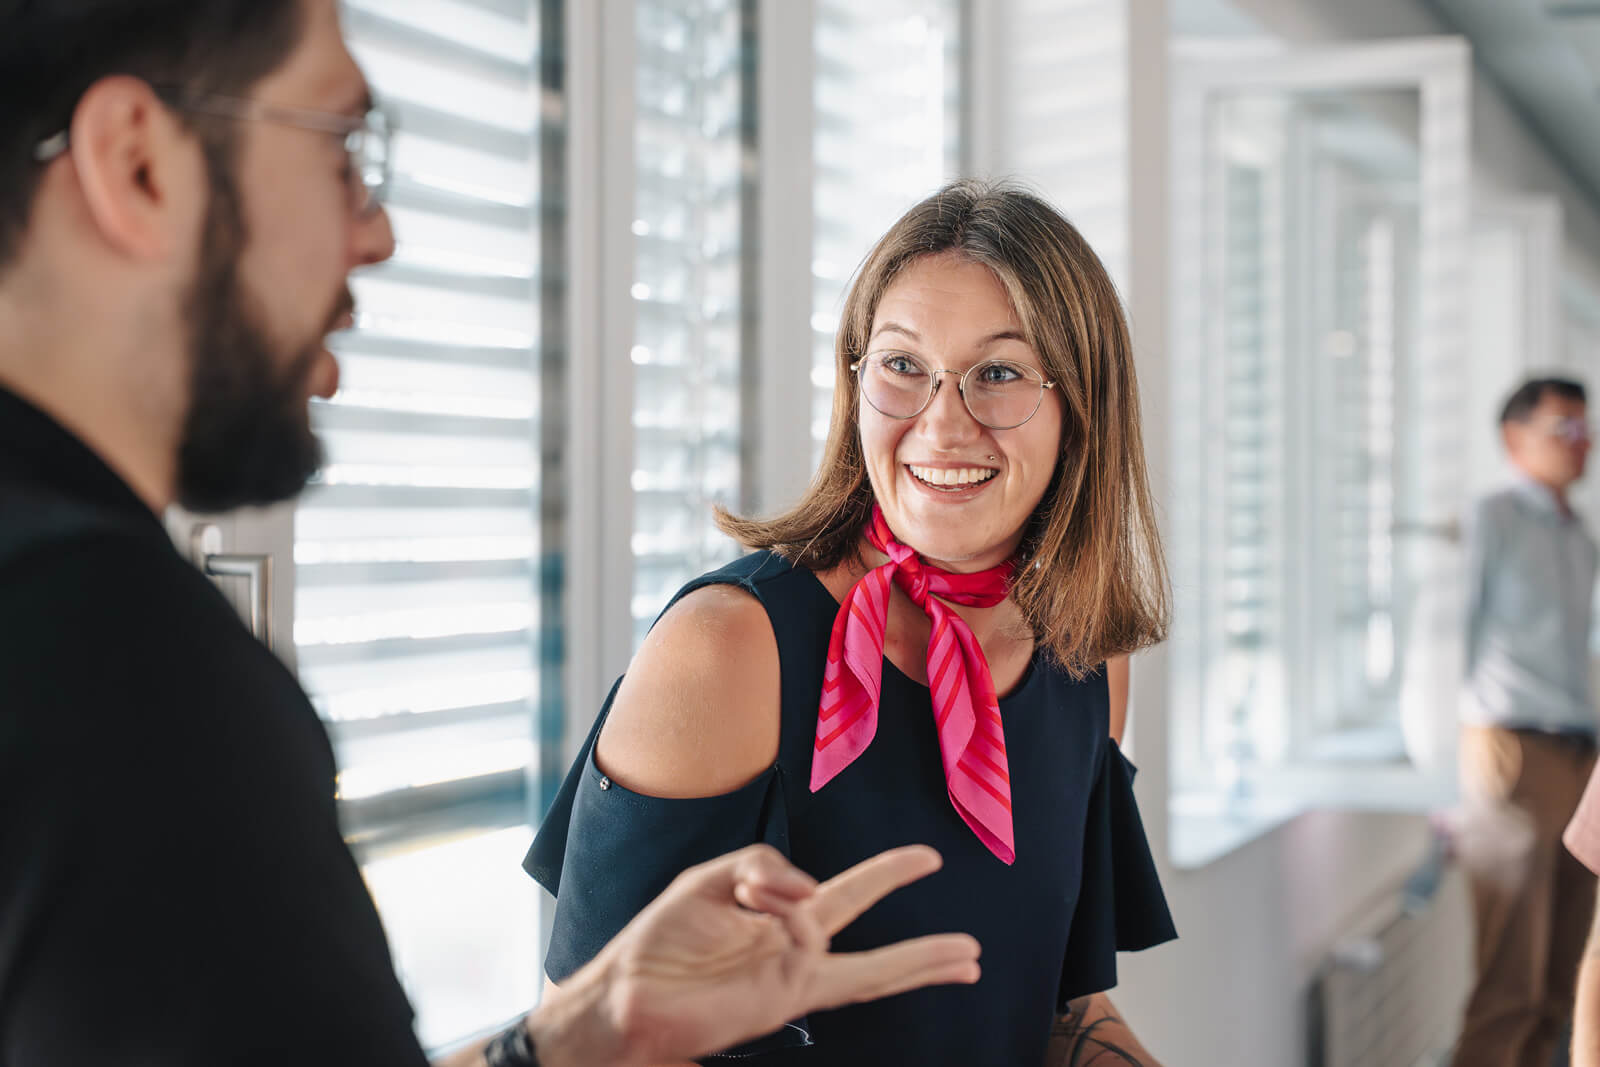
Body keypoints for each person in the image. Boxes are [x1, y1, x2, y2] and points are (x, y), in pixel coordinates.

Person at [0, 1, 982, 1064]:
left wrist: (580, 1031)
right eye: (340, 149)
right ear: (139, 164)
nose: (375, 230)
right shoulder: (125, 670)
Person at [527, 179, 1179, 1066]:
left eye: (998, 373)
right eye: (903, 365)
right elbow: (581, 1042)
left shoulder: (1087, 659)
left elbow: (1058, 1005)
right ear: (856, 380)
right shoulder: (728, 648)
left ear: (1083, 407)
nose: (943, 424)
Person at [1454, 378, 1599, 1067]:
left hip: (1577, 753)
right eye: (1563, 429)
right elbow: (1442, 641)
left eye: (1586, 427)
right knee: (1510, 974)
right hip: (1509, 750)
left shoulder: (1577, 533)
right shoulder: (1492, 518)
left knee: (1563, 976)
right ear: (1515, 438)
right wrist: (1446, 780)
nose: (1583, 443)